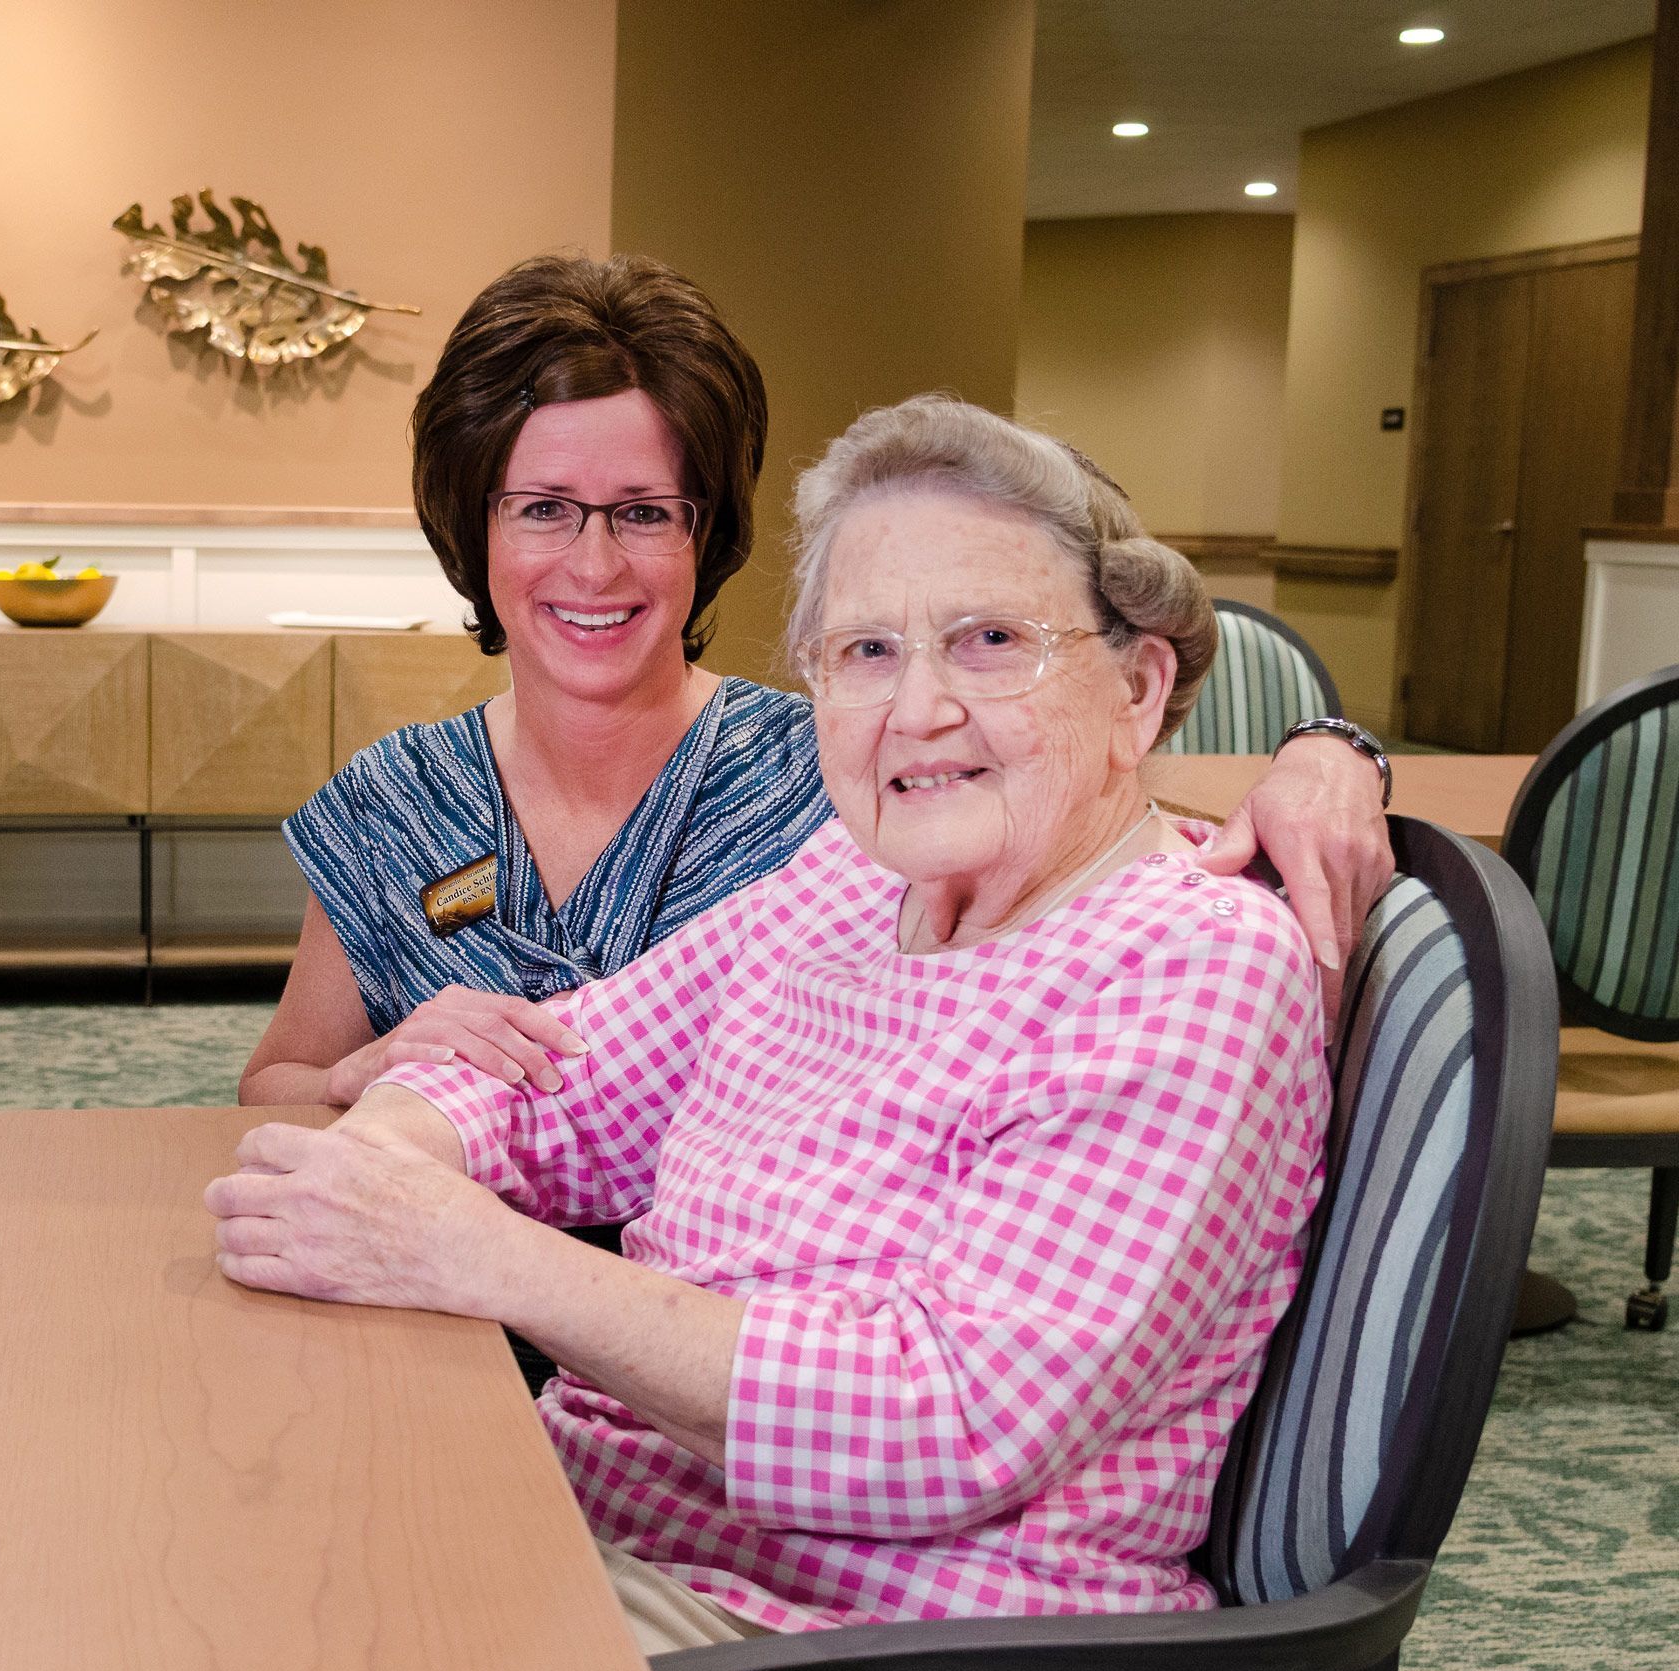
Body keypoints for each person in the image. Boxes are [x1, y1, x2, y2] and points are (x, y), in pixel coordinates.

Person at [208, 397, 1332, 1671]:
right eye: (866, 652)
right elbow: (556, 1079)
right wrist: (389, 1155)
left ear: (1139, 689)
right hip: (665, 1581)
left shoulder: (1182, 963)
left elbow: (942, 1424)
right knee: (224, 1555)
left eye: (991, 641)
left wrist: (473, 1253)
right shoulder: (852, 887)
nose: (917, 709)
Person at [239, 253, 1389, 1119]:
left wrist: (1331, 752)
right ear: (471, 527)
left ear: (710, 535)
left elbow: (1123, 848)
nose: (594, 564)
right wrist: (359, 1075)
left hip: (747, 1329)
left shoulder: (846, 772)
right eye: (542, 508)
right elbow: (274, 1083)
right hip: (425, 1307)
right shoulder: (395, 805)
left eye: (645, 513)